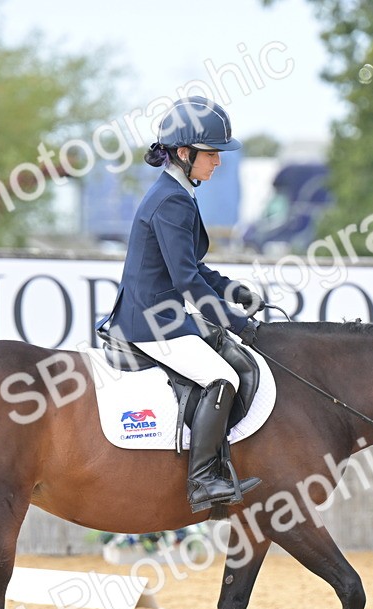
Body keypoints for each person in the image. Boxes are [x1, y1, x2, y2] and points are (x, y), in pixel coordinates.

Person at [101, 96, 264, 513]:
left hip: (162, 313)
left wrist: (234, 292)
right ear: (184, 153)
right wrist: (236, 323)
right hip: (151, 322)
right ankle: (204, 480)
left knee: (237, 362)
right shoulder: (172, 199)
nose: (218, 163)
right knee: (221, 378)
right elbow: (186, 280)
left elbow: (194, 267)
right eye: (211, 154)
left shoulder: (178, 191)